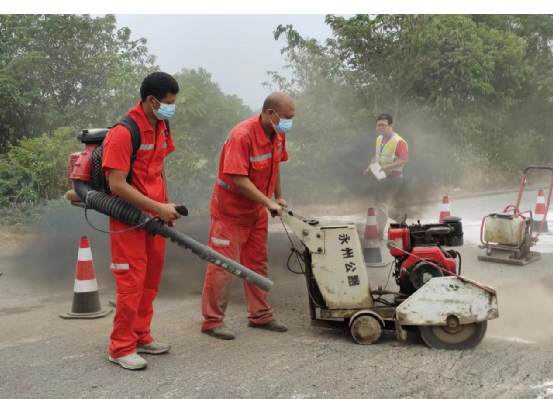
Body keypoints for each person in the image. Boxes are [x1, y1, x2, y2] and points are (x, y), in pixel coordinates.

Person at [101, 72, 181, 370]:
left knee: (150, 281)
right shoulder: (124, 132)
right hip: (129, 220)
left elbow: (158, 169)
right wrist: (156, 207)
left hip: (155, 218)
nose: (172, 108)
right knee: (131, 283)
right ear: (151, 100)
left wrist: (166, 206)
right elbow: (117, 185)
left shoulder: (162, 125)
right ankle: (120, 347)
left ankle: (140, 336)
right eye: (169, 103)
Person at [201, 92, 295, 340]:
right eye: (286, 117)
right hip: (229, 213)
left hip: (256, 211)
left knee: (257, 264)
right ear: (270, 113)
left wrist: (278, 197)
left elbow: (275, 166)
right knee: (223, 268)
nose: (289, 122)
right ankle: (212, 321)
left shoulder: (278, 133)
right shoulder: (241, 135)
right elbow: (237, 178)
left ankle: (260, 316)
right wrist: (267, 202)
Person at [363, 113, 409, 240]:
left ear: (391, 126)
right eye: (378, 125)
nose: (380, 127)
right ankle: (399, 217)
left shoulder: (398, 141)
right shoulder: (379, 139)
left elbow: (405, 159)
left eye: (383, 125)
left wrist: (388, 167)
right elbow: (376, 156)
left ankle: (378, 234)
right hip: (381, 175)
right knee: (378, 202)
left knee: (383, 204)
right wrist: (369, 167)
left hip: (394, 177)